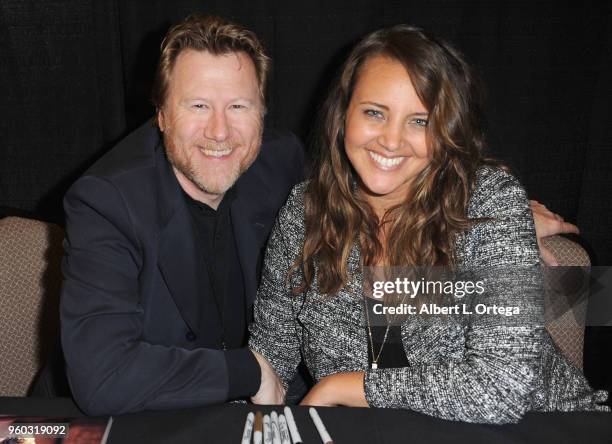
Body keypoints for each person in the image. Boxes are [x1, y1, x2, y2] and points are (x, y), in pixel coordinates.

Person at [248, 25, 608, 423]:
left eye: (419, 121)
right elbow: (272, 354)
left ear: (446, 130)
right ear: (342, 114)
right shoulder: (304, 212)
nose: (391, 141)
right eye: (374, 112)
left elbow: (502, 387)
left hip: (544, 427)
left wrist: (343, 386)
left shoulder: (489, 200)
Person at [60, 13, 301, 415]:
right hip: (132, 416)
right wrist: (246, 371)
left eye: (239, 106)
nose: (219, 132)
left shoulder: (283, 164)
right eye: (199, 105)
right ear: (162, 114)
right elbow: (103, 377)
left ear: (262, 113)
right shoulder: (106, 201)